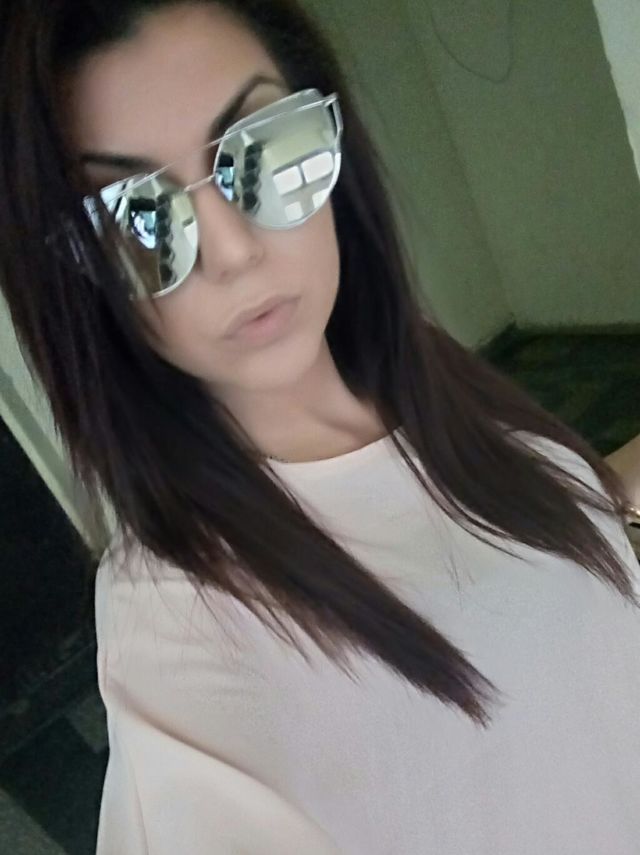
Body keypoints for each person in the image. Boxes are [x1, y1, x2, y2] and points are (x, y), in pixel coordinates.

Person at [1, 1, 639, 853]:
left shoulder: (419, 375)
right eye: (137, 216)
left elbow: (524, 552)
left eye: (263, 149)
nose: (233, 249)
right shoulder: (180, 625)